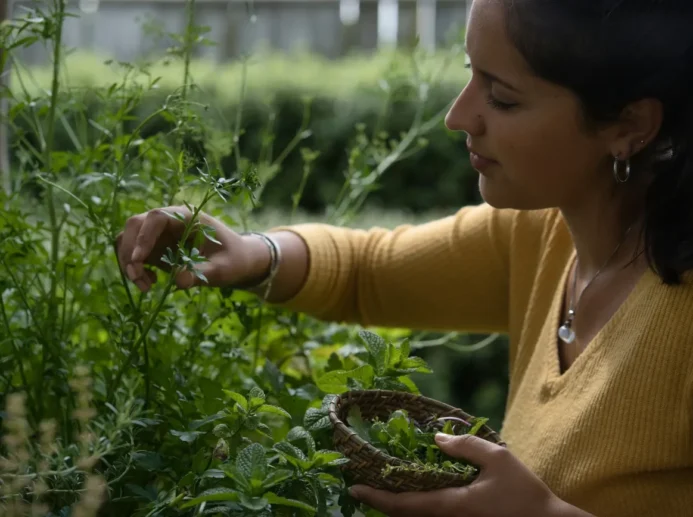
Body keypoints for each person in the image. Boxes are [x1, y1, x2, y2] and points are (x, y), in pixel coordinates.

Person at [115, 0, 693, 515]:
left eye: (503, 98)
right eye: (471, 76)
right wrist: (251, 253)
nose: (459, 116)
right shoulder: (543, 232)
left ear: (630, 125)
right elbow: (369, 270)